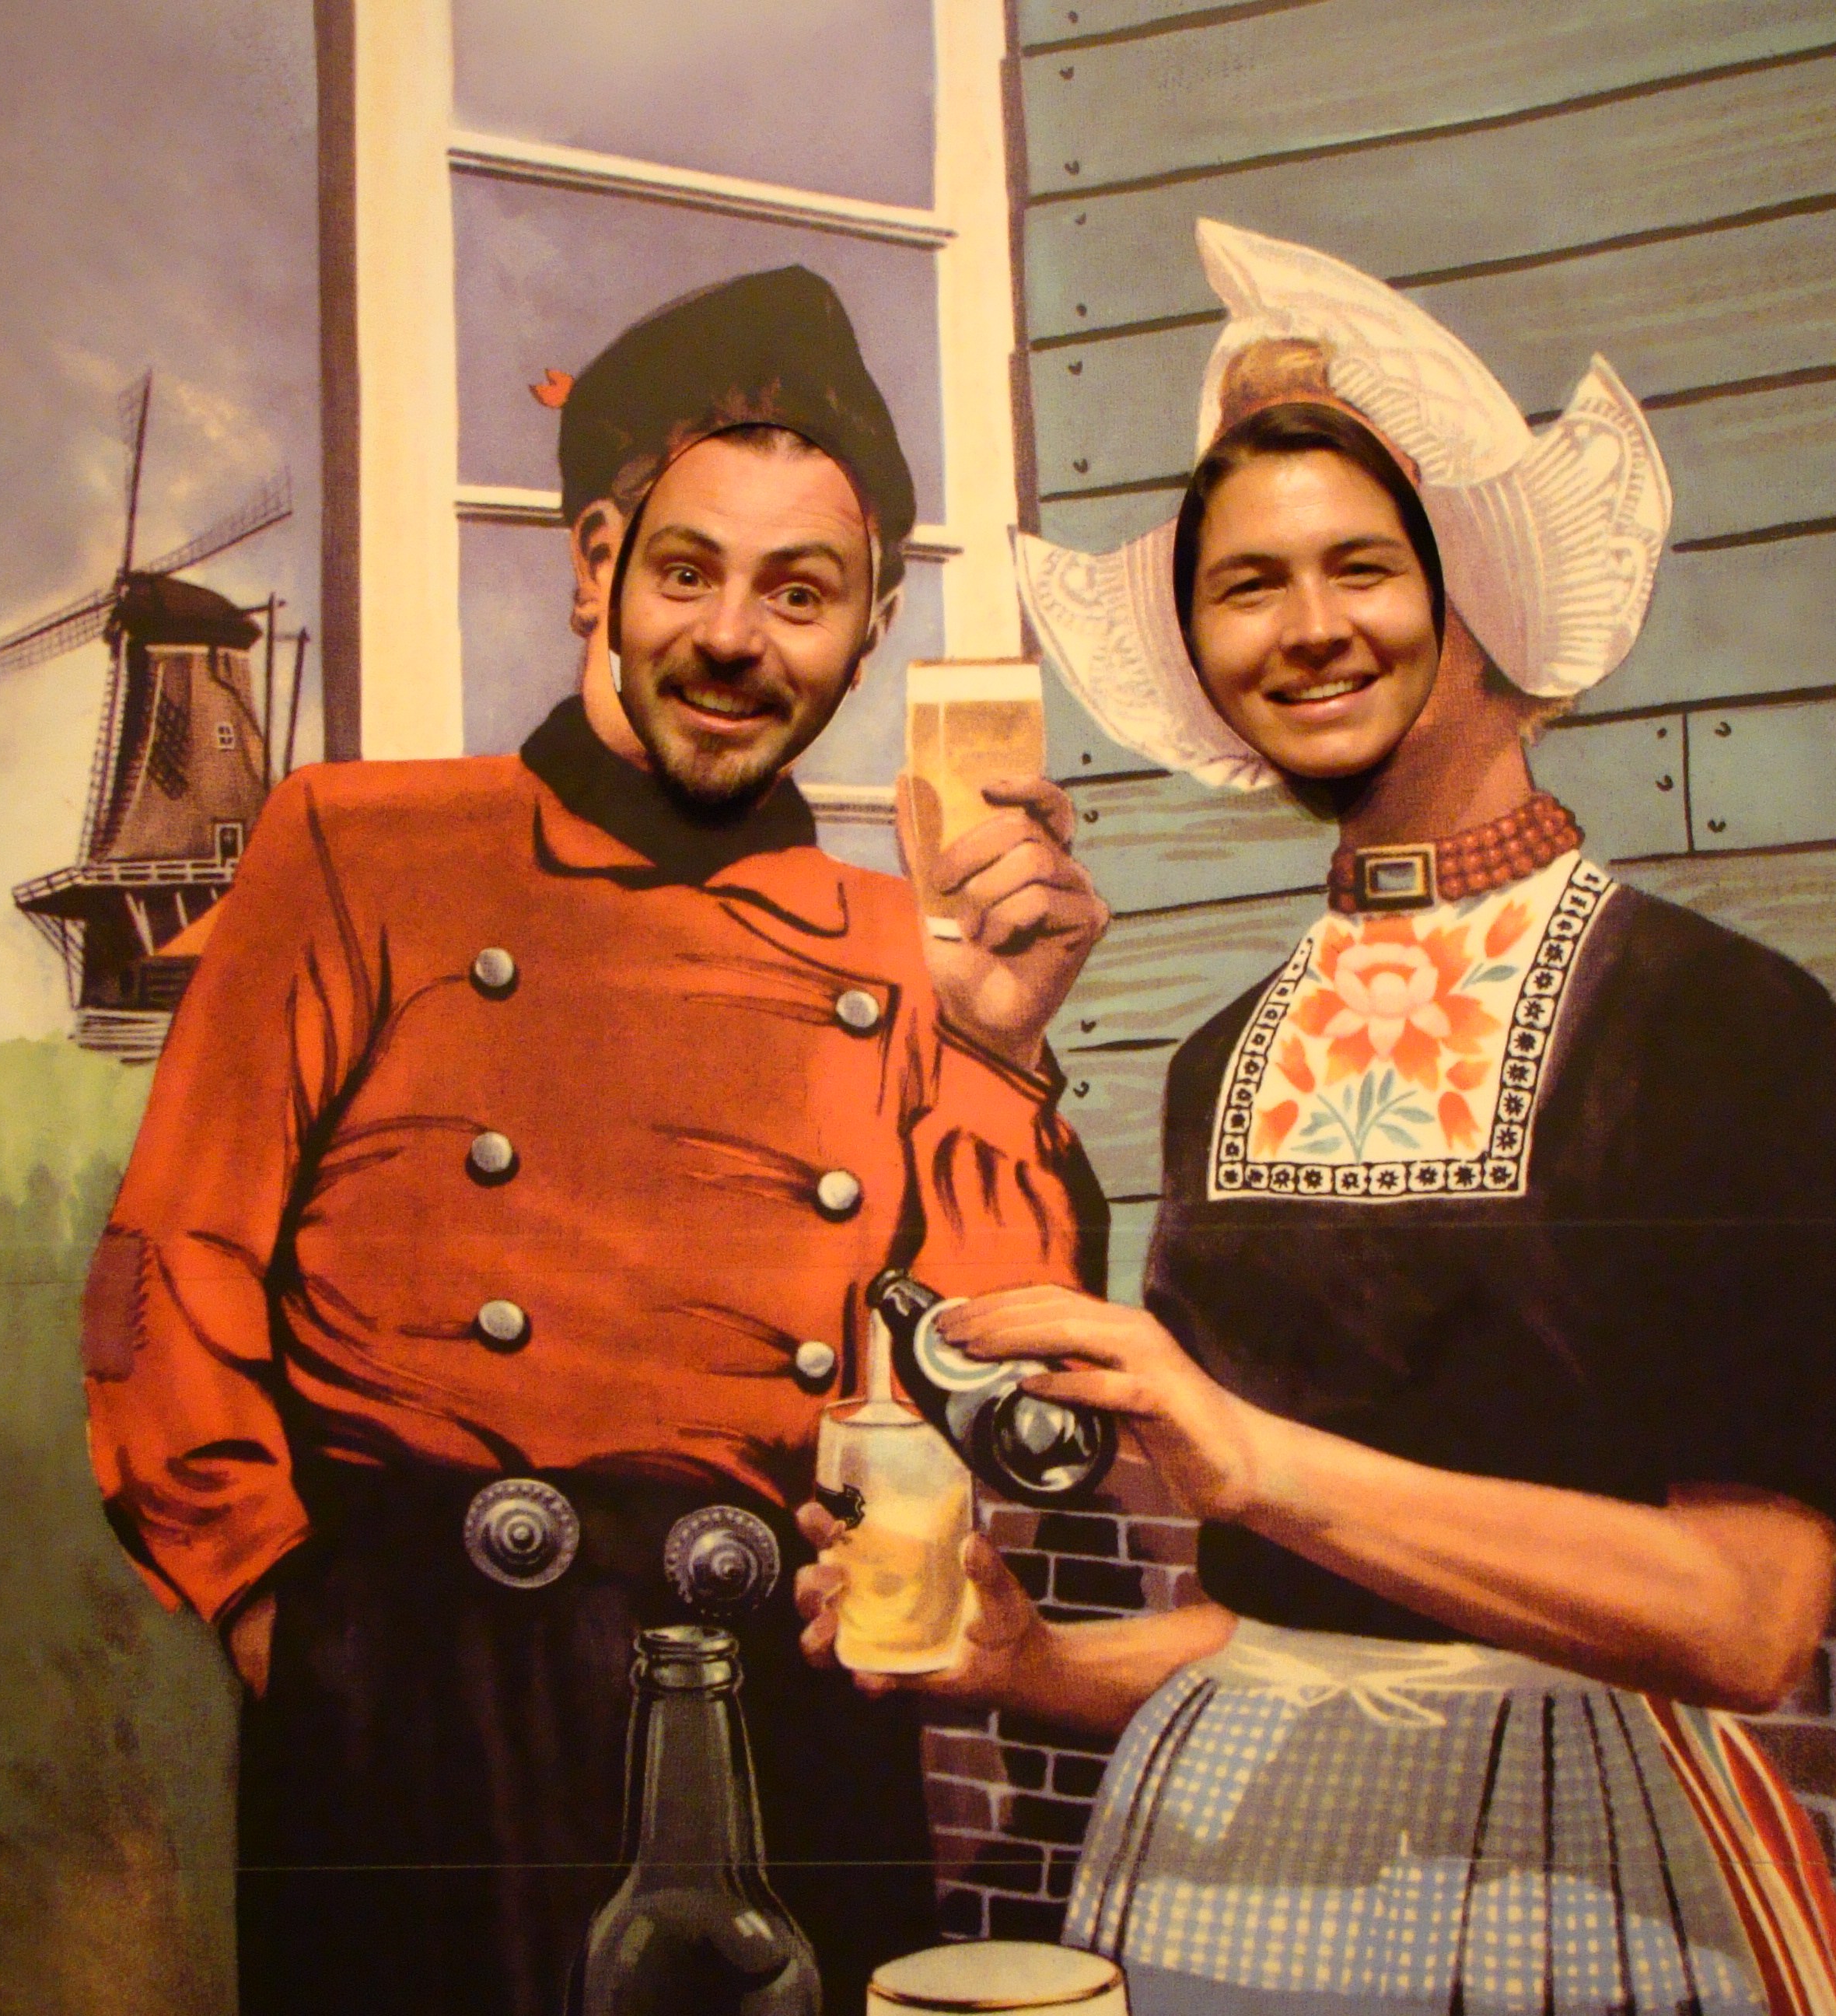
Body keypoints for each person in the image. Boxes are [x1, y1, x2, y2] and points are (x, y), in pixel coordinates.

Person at [798, 222, 1836, 2014]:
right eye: (1247, 585)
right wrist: (1033, 1661)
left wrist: (1250, 1455)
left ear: (1479, 594)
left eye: (1361, 566)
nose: (1306, 630)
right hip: (1219, 1882)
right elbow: (1275, 1638)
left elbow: (1749, 1619)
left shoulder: (1715, 1019)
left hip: (1575, 1888)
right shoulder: (1227, 1057)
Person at [81, 264, 1111, 2016]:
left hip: (784, 1701)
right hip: (430, 1702)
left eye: (803, 593)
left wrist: (1006, 1053)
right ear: (597, 568)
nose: (736, 639)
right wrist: (290, 1625)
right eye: (691, 571)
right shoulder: (360, 850)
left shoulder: (906, 945)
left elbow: (998, 1381)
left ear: (869, 631)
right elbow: (159, 1282)